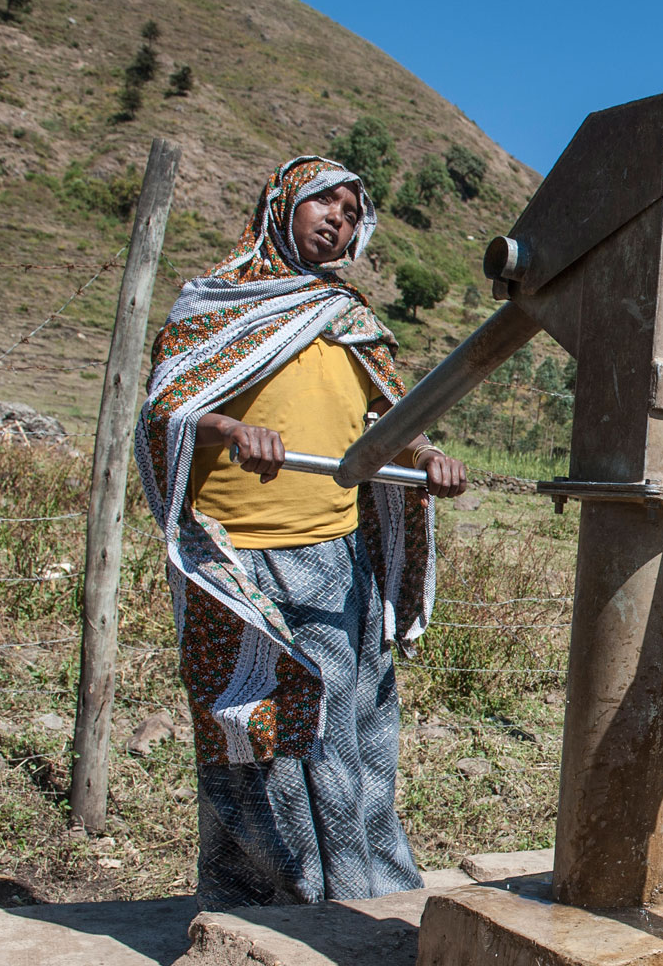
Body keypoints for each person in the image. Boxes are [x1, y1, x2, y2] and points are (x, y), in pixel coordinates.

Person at [135, 155, 466, 910]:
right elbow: (163, 416)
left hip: (335, 559)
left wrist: (426, 456)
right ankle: (267, 898)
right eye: (325, 203)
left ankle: (359, 889)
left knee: (349, 723)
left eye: (352, 212)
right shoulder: (215, 308)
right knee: (252, 731)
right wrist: (230, 428)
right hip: (237, 562)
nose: (339, 219)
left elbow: (389, 423)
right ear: (282, 205)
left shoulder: (350, 320)